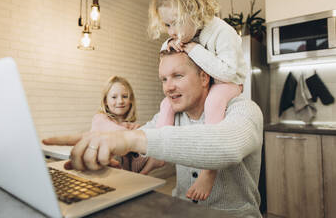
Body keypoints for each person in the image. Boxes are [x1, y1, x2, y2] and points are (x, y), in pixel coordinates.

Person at [43, 50, 263, 218]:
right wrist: (100, 139)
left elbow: (225, 146)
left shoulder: (244, 109)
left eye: (177, 76)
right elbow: (140, 137)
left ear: (204, 77)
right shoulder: (172, 116)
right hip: (181, 209)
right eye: (164, 79)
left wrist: (131, 138)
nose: (168, 87)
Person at [147, 0, 248, 201]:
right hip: (211, 81)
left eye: (175, 23)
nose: (172, 31)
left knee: (213, 103)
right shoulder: (183, 33)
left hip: (228, 82)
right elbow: (167, 50)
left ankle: (208, 170)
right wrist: (168, 46)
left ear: (194, 12)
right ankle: (159, 152)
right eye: (167, 26)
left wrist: (194, 49)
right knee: (166, 105)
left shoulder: (223, 32)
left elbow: (229, 72)